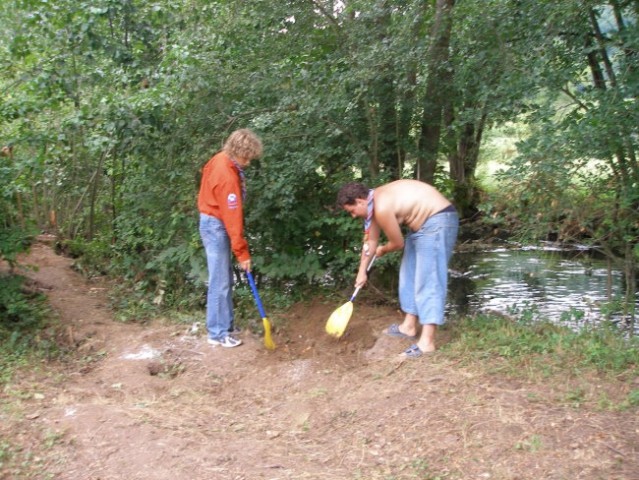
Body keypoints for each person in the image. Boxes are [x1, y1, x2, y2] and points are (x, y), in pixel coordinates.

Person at [336, 179, 458, 358]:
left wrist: (383, 249)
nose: (353, 216)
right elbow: (370, 242)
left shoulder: (382, 207)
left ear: (360, 201)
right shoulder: (372, 208)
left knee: (429, 279)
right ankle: (409, 327)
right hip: (419, 226)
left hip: (438, 220)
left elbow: (397, 243)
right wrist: (362, 271)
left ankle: (427, 342)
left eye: (352, 211)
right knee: (408, 275)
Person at [197, 129, 263, 348]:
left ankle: (225, 324)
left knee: (224, 277)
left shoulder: (220, 159)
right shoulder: (226, 177)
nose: (248, 162)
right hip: (216, 225)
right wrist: (242, 253)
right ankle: (217, 333)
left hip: (212, 220)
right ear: (238, 151)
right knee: (220, 281)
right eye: (247, 157)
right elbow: (233, 220)